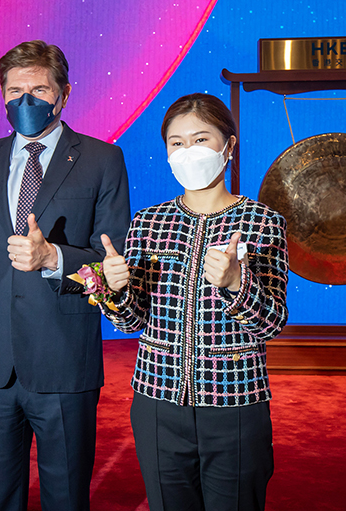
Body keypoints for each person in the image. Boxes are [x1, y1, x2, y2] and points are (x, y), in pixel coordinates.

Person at [0, 40, 131, 511]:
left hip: (63, 356)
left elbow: (112, 260)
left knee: (65, 495)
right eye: (14, 91)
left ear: (64, 94)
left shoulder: (102, 159)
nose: (25, 100)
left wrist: (53, 259)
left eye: (39, 90)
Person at [98, 93, 288, 511]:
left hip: (235, 402)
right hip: (157, 401)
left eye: (201, 139)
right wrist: (116, 290)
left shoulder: (262, 222)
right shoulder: (148, 222)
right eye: (177, 143)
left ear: (229, 146)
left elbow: (272, 323)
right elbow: (131, 321)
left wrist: (237, 284)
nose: (189, 151)